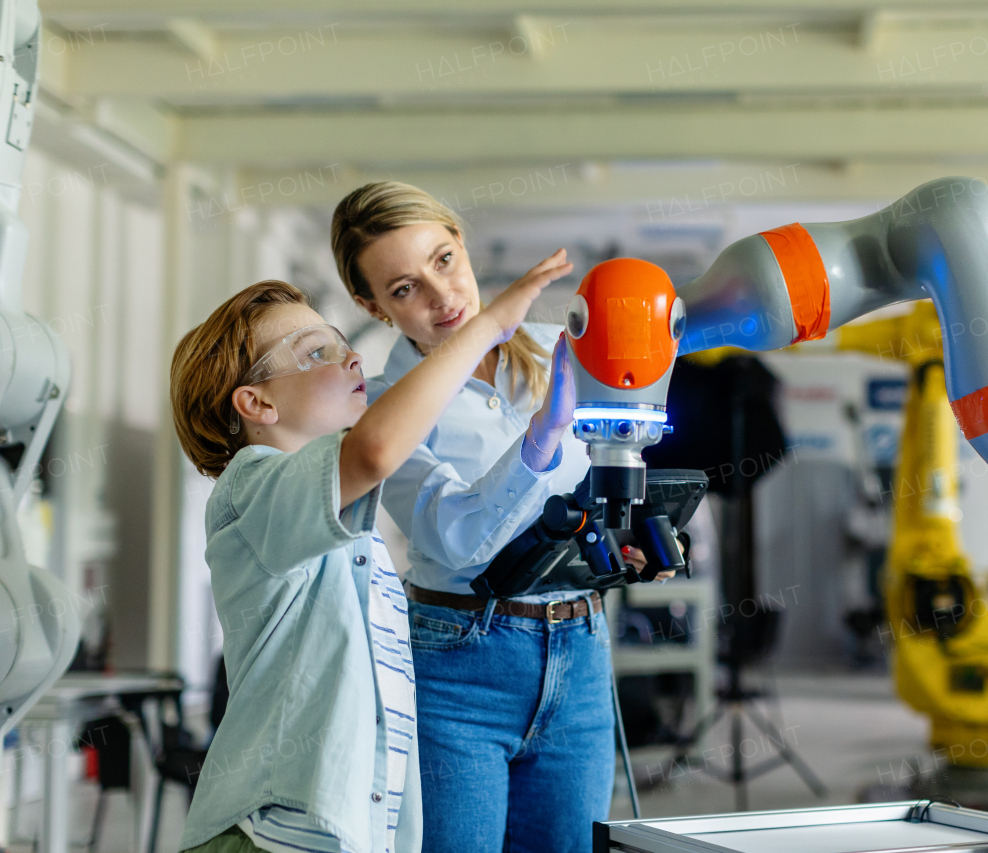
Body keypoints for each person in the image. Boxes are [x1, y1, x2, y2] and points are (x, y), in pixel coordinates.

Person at [331, 182, 671, 853]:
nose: (439, 296)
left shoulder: (562, 348)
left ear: (462, 245)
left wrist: (624, 537)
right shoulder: (383, 406)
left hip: (578, 648)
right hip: (459, 662)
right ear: (373, 306)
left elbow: (606, 475)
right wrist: (542, 435)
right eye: (403, 289)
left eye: (443, 260)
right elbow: (453, 536)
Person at [170, 270, 552, 853]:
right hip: (267, 835)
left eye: (341, 344)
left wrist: (544, 434)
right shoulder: (250, 487)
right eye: (317, 352)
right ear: (257, 402)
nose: (351, 359)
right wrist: (486, 329)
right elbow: (374, 450)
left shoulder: (350, 529)